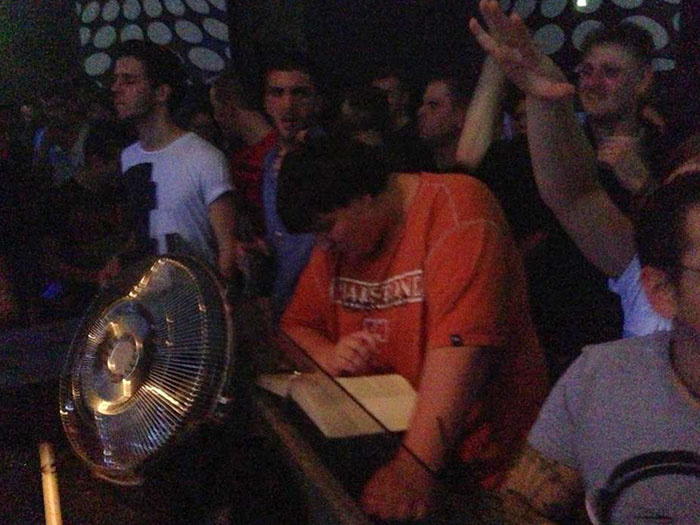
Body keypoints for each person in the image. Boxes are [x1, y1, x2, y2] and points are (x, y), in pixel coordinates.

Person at [277, 137, 548, 521]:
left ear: (364, 196)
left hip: (481, 468)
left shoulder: (458, 209)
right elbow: (294, 327)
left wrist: (413, 467)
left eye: (327, 228)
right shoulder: (341, 244)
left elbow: (462, 353)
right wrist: (326, 354)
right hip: (386, 441)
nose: (323, 246)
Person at [470, 0, 670, 339]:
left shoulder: (670, 153)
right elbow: (472, 174)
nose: (593, 83)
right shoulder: (552, 146)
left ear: (643, 80)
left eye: (610, 72)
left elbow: (679, 246)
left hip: (638, 333)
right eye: (586, 71)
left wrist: (645, 185)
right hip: (553, 333)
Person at [110, 41, 236, 280]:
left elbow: (227, 250)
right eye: (116, 80)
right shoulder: (129, 157)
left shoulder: (204, 158)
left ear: (161, 92)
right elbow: (142, 228)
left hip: (196, 293)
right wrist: (119, 260)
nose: (116, 88)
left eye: (129, 81)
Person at [260, 53, 320, 320]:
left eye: (299, 93)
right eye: (277, 93)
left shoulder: (328, 158)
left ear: (316, 100)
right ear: (266, 101)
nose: (288, 105)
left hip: (320, 306)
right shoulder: (270, 160)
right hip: (284, 307)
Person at [417, 72, 470, 171]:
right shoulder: (414, 164)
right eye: (423, 104)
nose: (421, 111)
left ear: (460, 115)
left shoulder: (484, 171)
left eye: (433, 105)